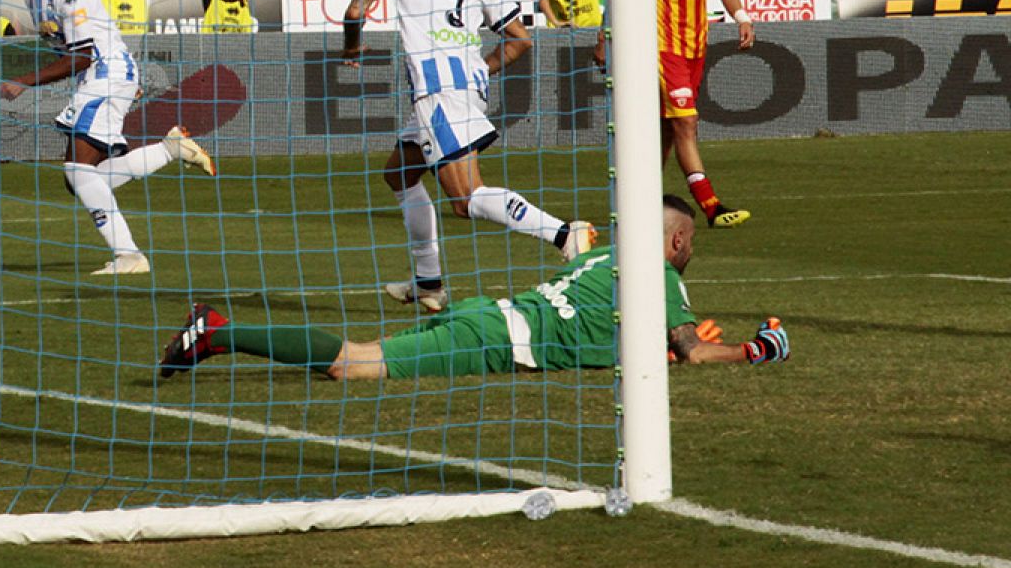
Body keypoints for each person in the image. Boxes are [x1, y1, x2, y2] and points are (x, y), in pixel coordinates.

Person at [158, 196, 792, 380]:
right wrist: (755, 349)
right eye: (690, 242)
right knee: (353, 364)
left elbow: (618, 327)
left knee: (362, 356)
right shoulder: (660, 276)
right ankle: (218, 331)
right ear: (677, 241)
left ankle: (217, 333)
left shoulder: (608, 256)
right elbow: (692, 352)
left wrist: (660, 342)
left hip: (489, 314)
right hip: (494, 339)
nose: (689, 252)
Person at [341, 0, 596, 313]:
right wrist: (480, 67)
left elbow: (354, 10)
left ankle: (564, 234)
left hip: (438, 92)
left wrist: (350, 48)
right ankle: (429, 283)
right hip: (465, 88)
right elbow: (520, 39)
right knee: (399, 174)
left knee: (465, 199)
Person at [0, 0, 218, 276]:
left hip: (104, 73)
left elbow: (82, 55)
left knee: (78, 171)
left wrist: (25, 81)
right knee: (81, 177)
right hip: (104, 77)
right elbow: (68, 50)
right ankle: (169, 149)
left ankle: (130, 257)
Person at [654, 0, 754, 228]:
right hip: (662, 44)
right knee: (687, 122)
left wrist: (742, 17)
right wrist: (606, 36)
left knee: (668, 128)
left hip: (696, 45)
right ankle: (711, 206)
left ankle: (638, 197)